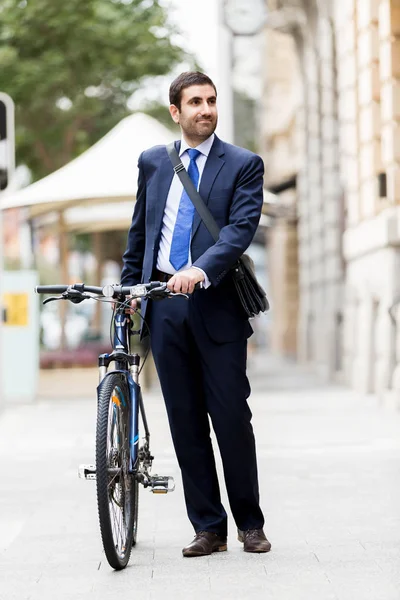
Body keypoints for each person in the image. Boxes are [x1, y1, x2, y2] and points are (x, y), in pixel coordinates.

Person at [120, 71, 271, 557]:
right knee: (185, 422)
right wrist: (129, 287)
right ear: (176, 111)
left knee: (231, 419)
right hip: (164, 309)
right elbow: (140, 233)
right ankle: (209, 527)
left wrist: (199, 270)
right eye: (195, 102)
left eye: (211, 101)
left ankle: (249, 522)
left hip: (218, 306)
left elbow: (238, 232)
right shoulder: (152, 163)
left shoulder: (244, 164)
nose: (206, 109)